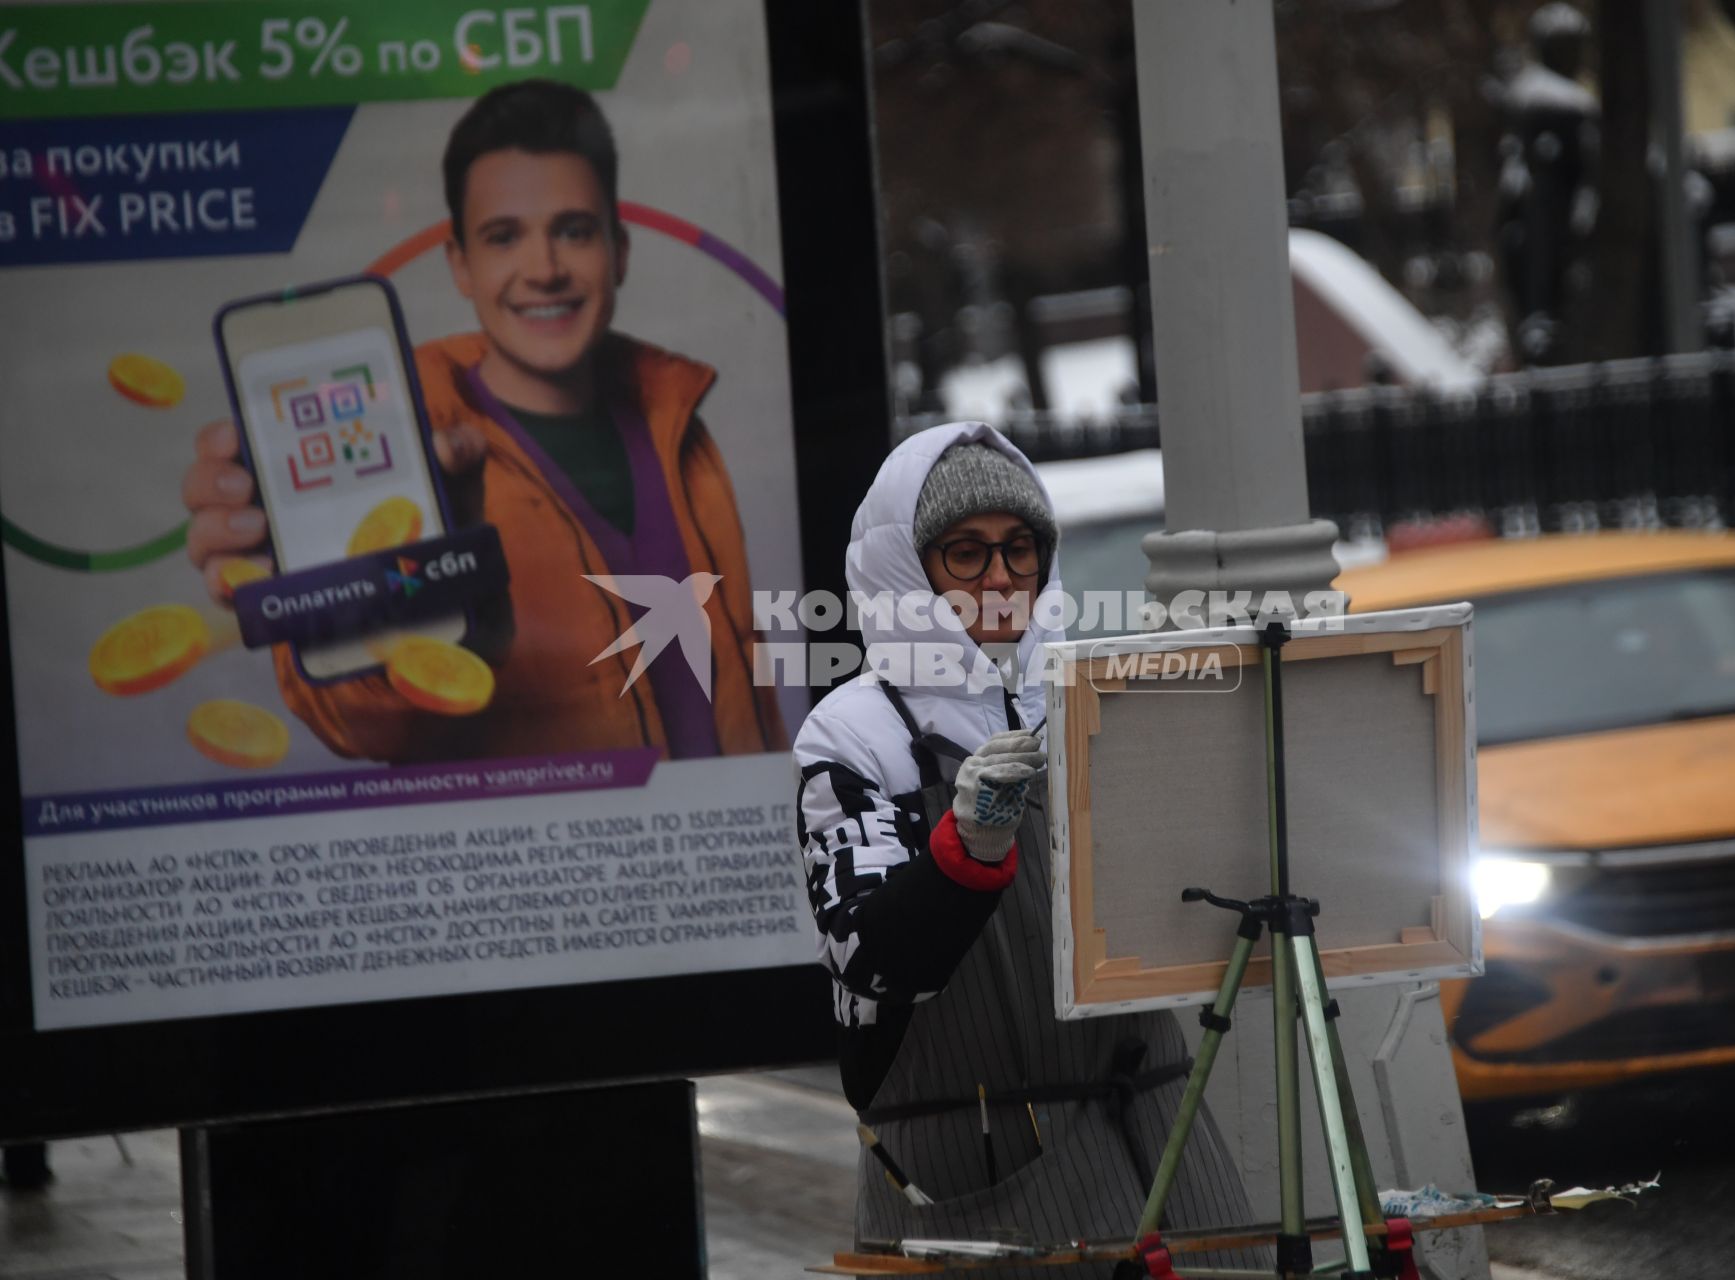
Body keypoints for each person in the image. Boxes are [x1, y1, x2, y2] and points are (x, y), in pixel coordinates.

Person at [182, 79, 783, 763]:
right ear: (460, 265)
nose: (544, 269)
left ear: (619, 249)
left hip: (729, 849)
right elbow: (357, 724)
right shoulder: (404, 434)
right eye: (504, 238)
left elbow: (746, 691)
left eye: (574, 231)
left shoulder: (681, 425)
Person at [794, 422, 1261, 1273]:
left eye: (1020, 549)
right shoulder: (857, 735)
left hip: (1153, 1132)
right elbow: (867, 958)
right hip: (974, 1153)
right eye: (965, 553)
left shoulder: (1089, 690)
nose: (1002, 578)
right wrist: (963, 849)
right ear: (906, 566)